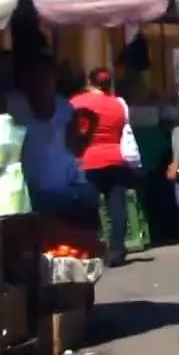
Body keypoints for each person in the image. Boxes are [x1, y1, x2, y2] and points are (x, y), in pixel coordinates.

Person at [10, 53, 98, 224]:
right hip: (29, 192)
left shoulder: (64, 107)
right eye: (39, 77)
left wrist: (91, 125)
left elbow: (76, 148)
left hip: (62, 188)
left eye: (48, 77)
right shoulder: (16, 104)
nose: (44, 82)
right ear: (28, 79)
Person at [69, 67, 133, 267]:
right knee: (117, 207)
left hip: (87, 160)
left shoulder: (76, 102)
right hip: (115, 158)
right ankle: (117, 250)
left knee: (89, 207)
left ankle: (91, 248)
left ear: (90, 82)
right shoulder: (117, 104)